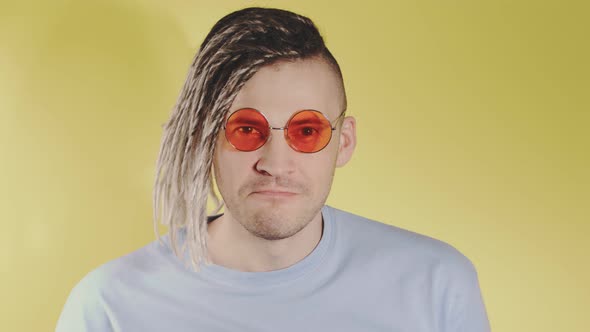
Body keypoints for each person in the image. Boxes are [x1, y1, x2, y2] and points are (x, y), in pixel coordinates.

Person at [56, 7, 490, 332]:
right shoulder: (108, 307)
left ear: (345, 141)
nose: (275, 163)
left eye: (306, 130)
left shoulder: (436, 285)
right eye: (246, 128)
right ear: (203, 139)